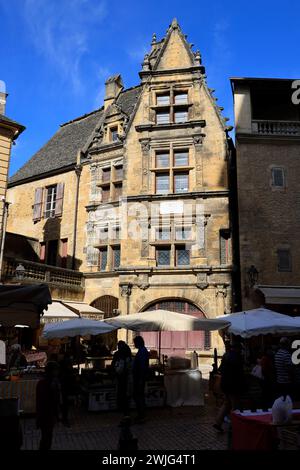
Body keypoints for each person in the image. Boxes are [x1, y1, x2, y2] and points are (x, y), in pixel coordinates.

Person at [213, 342, 245, 432]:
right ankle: (233, 425)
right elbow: (239, 373)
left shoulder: (226, 355)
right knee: (235, 405)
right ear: (237, 348)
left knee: (227, 403)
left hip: (225, 384)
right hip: (232, 385)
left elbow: (220, 369)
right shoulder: (237, 357)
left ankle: (218, 422)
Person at [36, 361, 61, 450]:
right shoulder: (47, 383)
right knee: (46, 438)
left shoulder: (47, 382)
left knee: (47, 437)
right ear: (52, 371)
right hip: (46, 414)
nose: (57, 372)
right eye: (56, 370)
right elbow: (44, 401)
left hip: (48, 414)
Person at [112, 341, 132, 415]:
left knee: (120, 391)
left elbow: (113, 364)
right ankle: (125, 409)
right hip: (126, 377)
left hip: (121, 376)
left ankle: (121, 407)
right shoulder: (128, 354)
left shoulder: (118, 354)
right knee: (125, 393)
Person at [132, 336, 149, 423]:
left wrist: (140, 379)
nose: (134, 345)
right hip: (139, 377)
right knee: (139, 396)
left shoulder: (142, 352)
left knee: (139, 397)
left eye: (135, 343)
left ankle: (142, 415)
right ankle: (141, 414)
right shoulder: (142, 351)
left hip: (139, 378)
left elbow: (142, 367)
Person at [59, 353, 76, 427]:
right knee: (64, 403)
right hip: (64, 385)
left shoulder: (62, 363)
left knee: (64, 403)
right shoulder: (66, 363)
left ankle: (63, 418)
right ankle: (64, 419)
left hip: (64, 385)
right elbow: (69, 372)